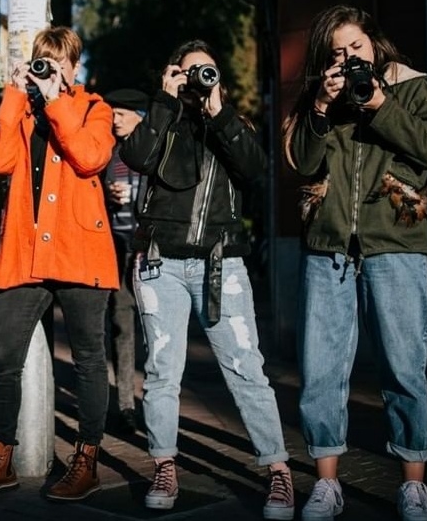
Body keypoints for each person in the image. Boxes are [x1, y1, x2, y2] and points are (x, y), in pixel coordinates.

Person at [282, 4, 427, 521]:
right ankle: (328, 484)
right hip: (327, 248)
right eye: (336, 53)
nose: (348, 59)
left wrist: (378, 102)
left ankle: (414, 484)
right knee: (321, 372)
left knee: (403, 369)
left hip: (394, 245)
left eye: (355, 48)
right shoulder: (319, 99)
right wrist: (321, 110)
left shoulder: (411, 87)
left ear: (374, 44)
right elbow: (305, 163)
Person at [119, 40, 294, 519]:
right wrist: (164, 100)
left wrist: (218, 113)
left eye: (207, 71)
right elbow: (135, 157)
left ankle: (277, 470)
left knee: (247, 370)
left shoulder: (234, 125)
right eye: (190, 71)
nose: (199, 79)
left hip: (222, 265)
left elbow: (257, 169)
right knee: (162, 373)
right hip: (160, 266)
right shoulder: (161, 119)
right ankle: (164, 464)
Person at [0, 26, 118, 503]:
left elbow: (91, 157)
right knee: (3, 359)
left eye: (59, 62)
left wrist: (56, 100)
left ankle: (86, 461)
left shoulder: (94, 107)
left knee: (90, 359)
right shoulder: (21, 110)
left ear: (74, 66)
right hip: (25, 254)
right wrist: (12, 94)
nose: (50, 69)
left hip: (79, 250)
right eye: (42, 61)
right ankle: (1, 459)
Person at [100, 88, 150, 436]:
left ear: (139, 115)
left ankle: (154, 403)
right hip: (115, 247)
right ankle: (125, 405)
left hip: (148, 248)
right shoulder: (110, 153)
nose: (114, 119)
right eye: (112, 113)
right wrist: (107, 192)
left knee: (153, 328)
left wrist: (138, 196)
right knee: (121, 325)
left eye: (121, 113)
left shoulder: (152, 147)